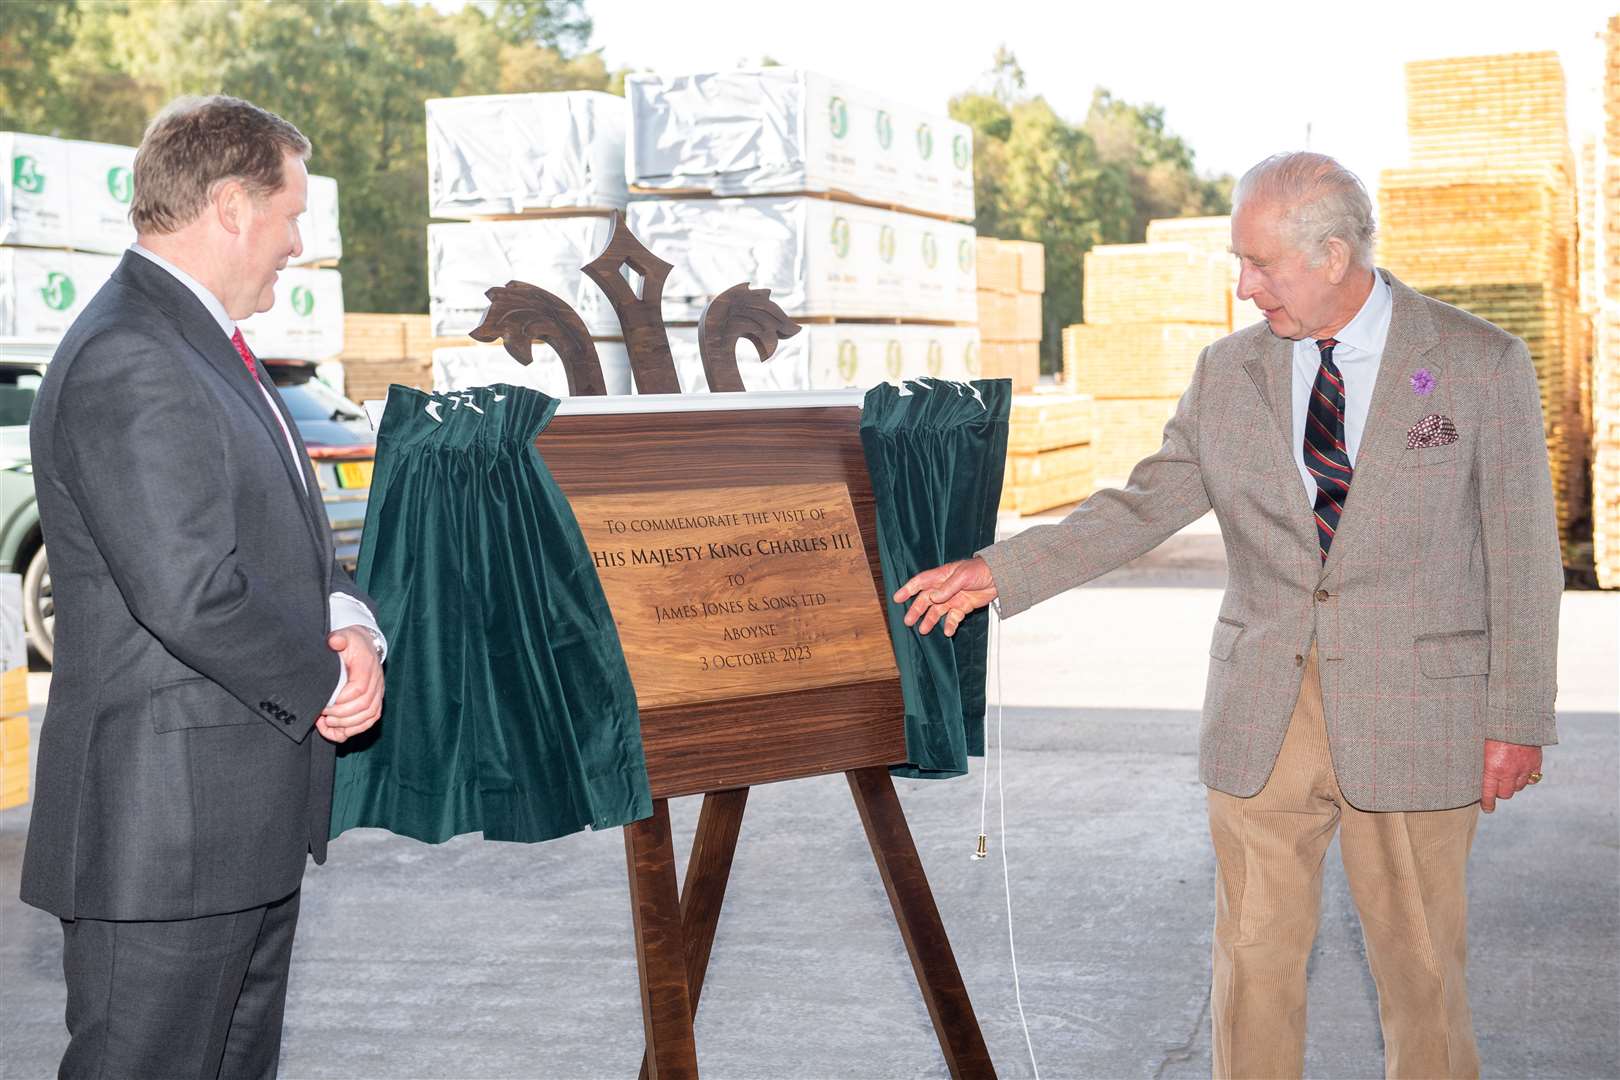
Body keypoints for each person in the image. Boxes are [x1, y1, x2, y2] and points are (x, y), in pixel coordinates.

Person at [895, 151, 1561, 1079]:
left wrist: (1517, 719)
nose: (1244, 288)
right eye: (1237, 264)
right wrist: (999, 571)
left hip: (1421, 712)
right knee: (1250, 967)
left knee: (1421, 973)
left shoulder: (1478, 362)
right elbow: (1141, 505)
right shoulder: (1228, 373)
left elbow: (1525, 555)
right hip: (1263, 712)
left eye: (1260, 265)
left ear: (1333, 254)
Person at [19, 95, 387, 1078]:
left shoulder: (202, 343)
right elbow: (187, 591)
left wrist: (345, 618)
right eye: (290, 215)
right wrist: (325, 684)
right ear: (231, 206)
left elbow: (285, 538)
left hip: (233, 832)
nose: (297, 243)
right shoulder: (133, 354)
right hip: (165, 842)